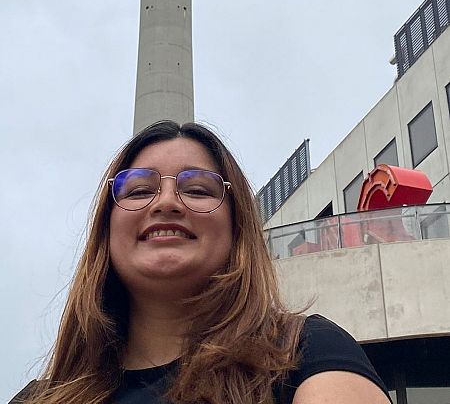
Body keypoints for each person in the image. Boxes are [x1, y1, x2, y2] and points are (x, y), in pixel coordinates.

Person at [11, 121, 391, 404]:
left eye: (196, 190)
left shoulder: (305, 353)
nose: (166, 203)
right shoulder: (44, 396)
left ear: (236, 226)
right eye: (140, 190)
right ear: (106, 231)